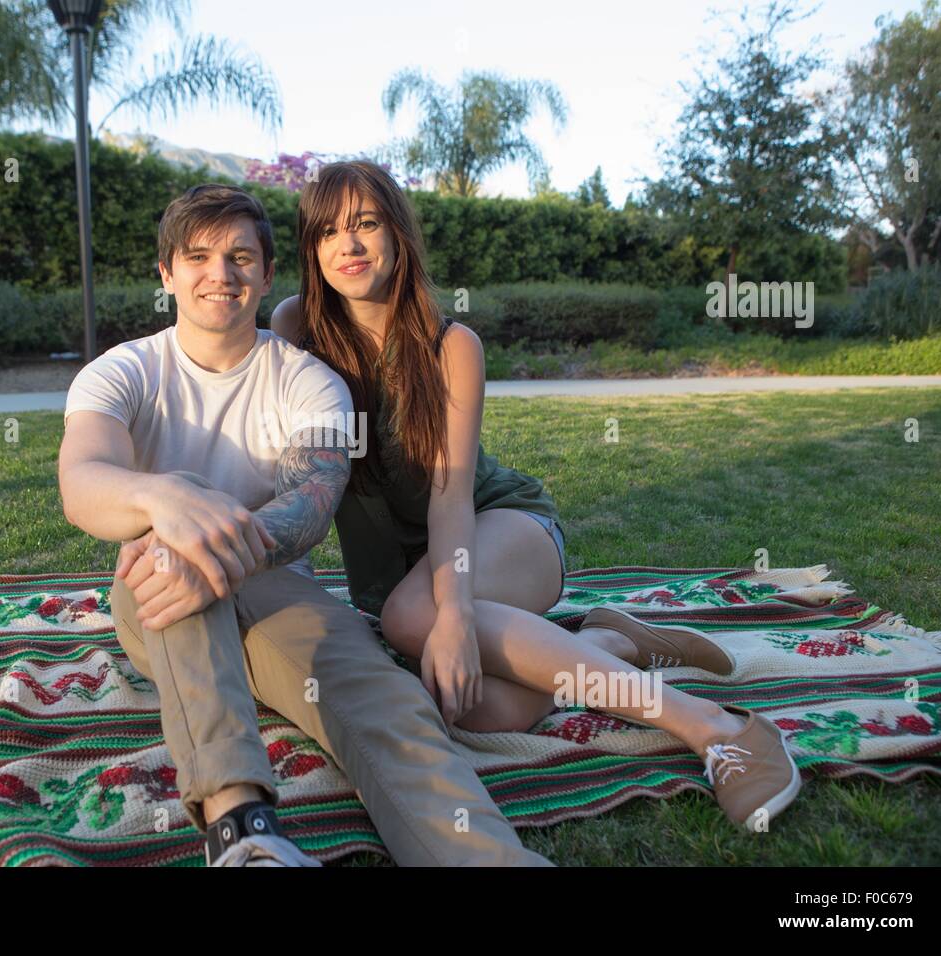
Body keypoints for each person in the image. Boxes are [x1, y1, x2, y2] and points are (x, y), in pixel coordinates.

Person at [268, 160, 801, 829]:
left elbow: (451, 493)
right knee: (480, 709)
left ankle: (717, 727)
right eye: (328, 232)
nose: (348, 245)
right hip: (397, 575)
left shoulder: (450, 344)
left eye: (366, 224)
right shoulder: (296, 328)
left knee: (416, 620)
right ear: (311, 250)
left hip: (500, 526)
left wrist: (454, 614)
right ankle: (611, 644)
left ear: (398, 235)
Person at [58, 182, 552, 866]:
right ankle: (244, 833)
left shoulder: (307, 378)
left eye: (239, 256)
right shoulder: (124, 372)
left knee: (389, 700)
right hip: (158, 596)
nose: (220, 274)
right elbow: (82, 480)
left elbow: (314, 499)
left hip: (277, 589)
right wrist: (168, 501)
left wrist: (215, 543)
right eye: (198, 257)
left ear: (264, 273)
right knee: (172, 555)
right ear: (167, 274)